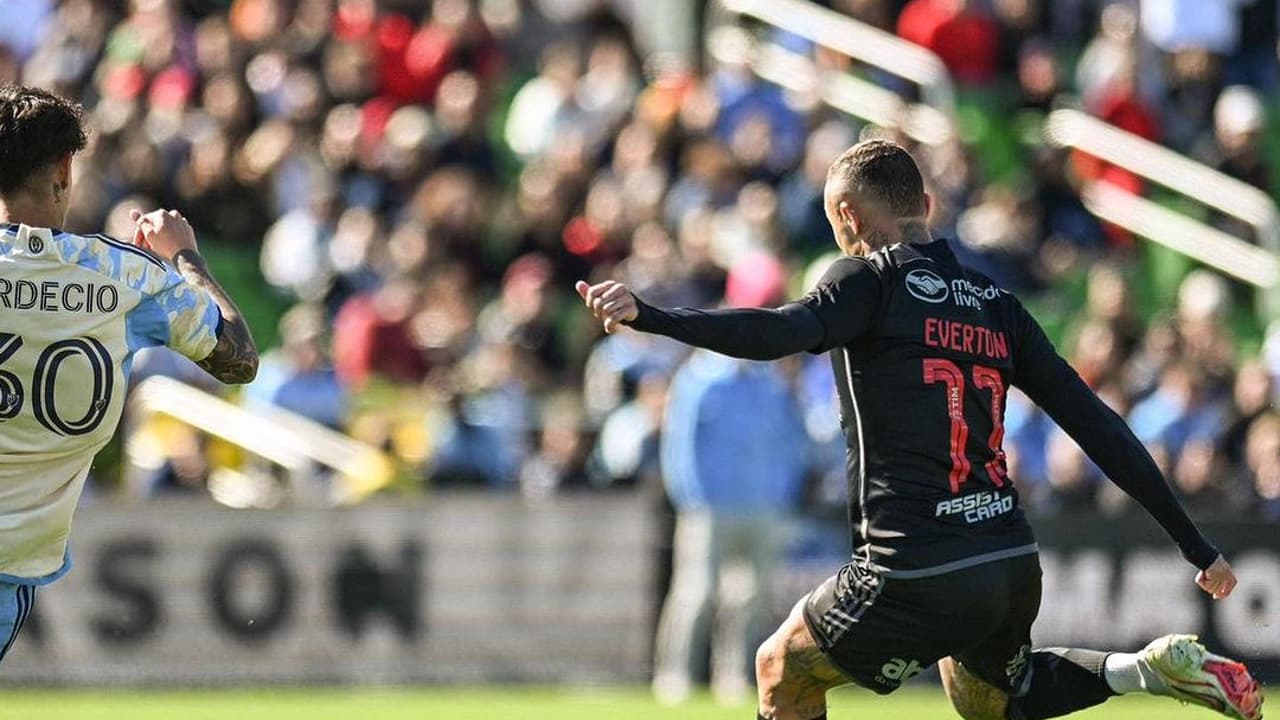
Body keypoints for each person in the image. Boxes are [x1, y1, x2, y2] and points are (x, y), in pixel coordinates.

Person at [575, 139, 1263, 720]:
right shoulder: (999, 306)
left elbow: (778, 331)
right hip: (1006, 560)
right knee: (988, 696)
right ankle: (1142, 671)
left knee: (781, 665)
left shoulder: (867, 282)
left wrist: (655, 316)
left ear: (847, 217)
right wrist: (1195, 545)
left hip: (911, 563)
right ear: (927, 208)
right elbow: (1098, 425)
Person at [0, 84, 258, 664]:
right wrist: (184, 257)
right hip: (9, 563)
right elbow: (237, 357)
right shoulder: (122, 278)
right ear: (65, 171)